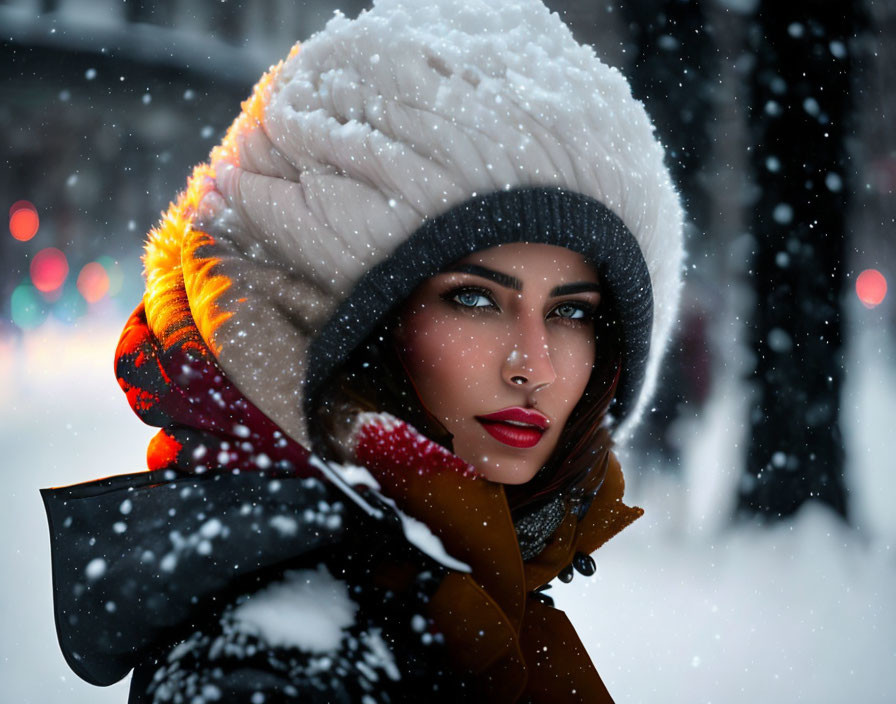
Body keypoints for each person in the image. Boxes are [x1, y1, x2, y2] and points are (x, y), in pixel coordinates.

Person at [41, 0, 683, 702]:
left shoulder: (463, 593)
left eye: (570, 311)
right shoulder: (275, 666)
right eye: (473, 298)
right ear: (354, 326)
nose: (535, 365)